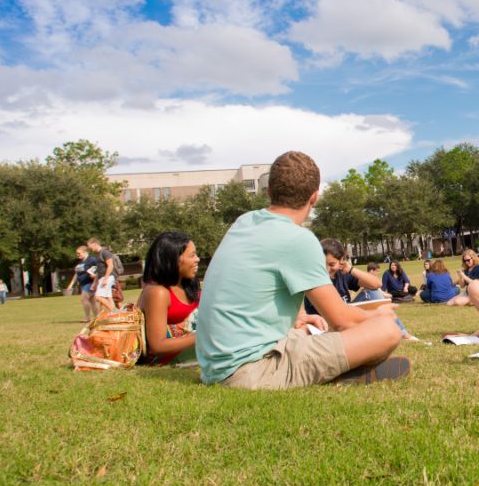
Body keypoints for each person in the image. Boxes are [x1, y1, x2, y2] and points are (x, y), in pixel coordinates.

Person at [195, 151, 408, 390]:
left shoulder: (244, 222)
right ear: (314, 197)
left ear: (268, 192)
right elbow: (342, 321)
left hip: (215, 366)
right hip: (249, 371)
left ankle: (341, 365)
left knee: (309, 330)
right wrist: (377, 315)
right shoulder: (299, 239)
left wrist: (299, 318)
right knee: (387, 330)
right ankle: (344, 370)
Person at [137, 231, 200, 366]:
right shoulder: (158, 292)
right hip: (165, 358)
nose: (197, 259)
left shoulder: (188, 285)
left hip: (191, 349)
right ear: (173, 259)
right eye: (192, 255)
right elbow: (157, 346)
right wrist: (204, 337)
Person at [87, 237, 122, 313]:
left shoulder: (105, 252)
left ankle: (115, 312)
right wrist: (95, 282)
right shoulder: (98, 254)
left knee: (98, 296)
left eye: (90, 246)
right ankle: (113, 314)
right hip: (102, 278)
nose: (89, 248)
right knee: (109, 297)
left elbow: (110, 265)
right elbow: (99, 271)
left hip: (108, 277)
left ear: (95, 244)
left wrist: (106, 279)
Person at [74, 246, 101, 322]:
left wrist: (94, 276)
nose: (78, 255)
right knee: (92, 301)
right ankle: (97, 317)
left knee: (84, 298)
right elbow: (77, 273)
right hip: (83, 284)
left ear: (85, 252)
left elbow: (97, 267)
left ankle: (87, 317)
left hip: (90, 282)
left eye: (79, 253)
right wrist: (72, 283)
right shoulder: (81, 262)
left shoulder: (92, 259)